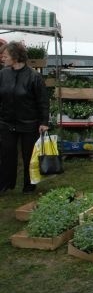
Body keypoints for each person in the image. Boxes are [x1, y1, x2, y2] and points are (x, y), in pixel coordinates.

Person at [0, 41, 49, 194]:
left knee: (29, 156)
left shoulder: (34, 77)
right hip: (7, 122)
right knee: (7, 155)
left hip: (29, 123)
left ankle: (29, 185)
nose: (2, 58)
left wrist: (44, 122)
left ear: (15, 57)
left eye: (5, 55)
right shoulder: (3, 74)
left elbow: (43, 101)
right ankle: (6, 184)